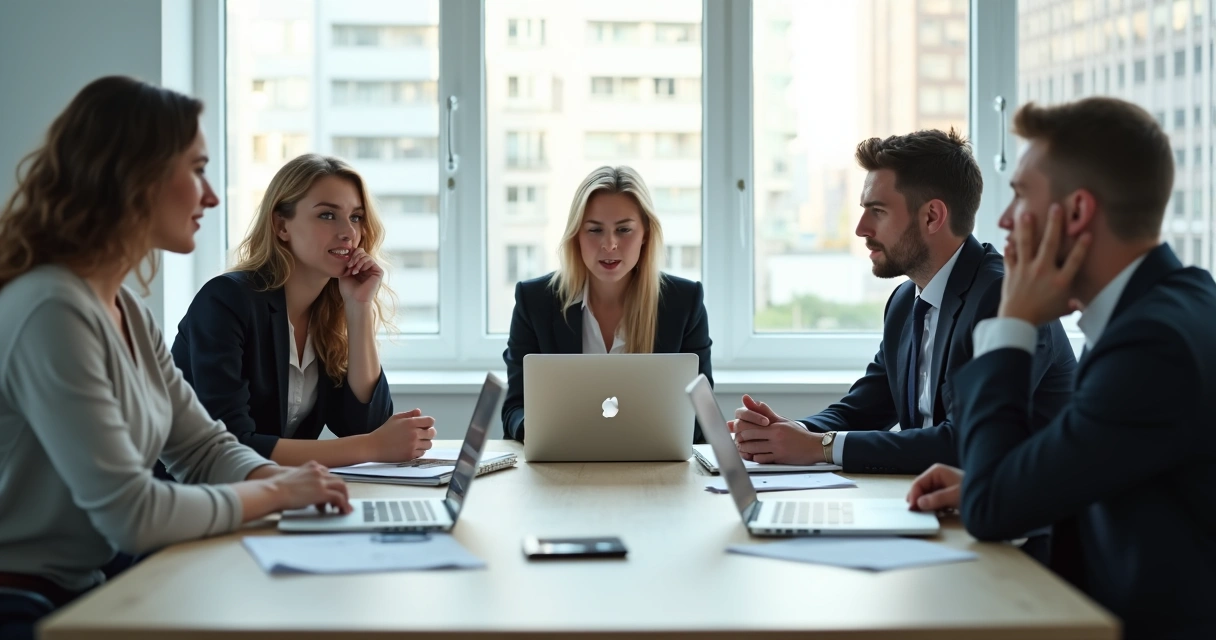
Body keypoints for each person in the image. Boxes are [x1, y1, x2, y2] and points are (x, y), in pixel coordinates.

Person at [0, 76, 351, 639]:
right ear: (133, 177)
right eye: (196, 169)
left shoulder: (127, 312)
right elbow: (133, 515)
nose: (210, 196)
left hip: (84, 581)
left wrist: (273, 478)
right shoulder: (52, 309)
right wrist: (279, 491)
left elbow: (202, 446)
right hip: (21, 600)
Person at [928, 97, 1216, 639]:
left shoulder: (1152, 346)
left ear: (1077, 212)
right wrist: (1002, 483)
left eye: (1019, 195)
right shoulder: (1176, 303)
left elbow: (993, 512)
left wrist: (1013, 323)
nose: (1005, 221)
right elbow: (1113, 471)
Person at [729, 130, 1075, 474]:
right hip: (936, 501)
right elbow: (865, 408)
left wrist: (821, 447)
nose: (861, 228)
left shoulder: (1004, 299)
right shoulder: (905, 302)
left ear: (932, 217)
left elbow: (966, 441)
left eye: (877, 211)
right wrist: (791, 434)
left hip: (1023, 519)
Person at [172, 154, 436, 468]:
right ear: (281, 225)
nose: (348, 233)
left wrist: (359, 306)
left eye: (356, 217)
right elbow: (232, 445)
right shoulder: (225, 301)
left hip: (278, 495)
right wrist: (371, 447)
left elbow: (365, 425)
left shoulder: (329, 312)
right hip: (192, 501)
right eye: (327, 215)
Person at [502, 165, 712, 442]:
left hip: (653, 467)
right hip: (562, 465)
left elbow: (703, 416)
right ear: (576, 234)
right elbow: (514, 409)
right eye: (595, 230)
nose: (610, 244)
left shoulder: (684, 302)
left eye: (624, 229)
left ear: (646, 233)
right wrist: (537, 428)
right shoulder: (535, 301)